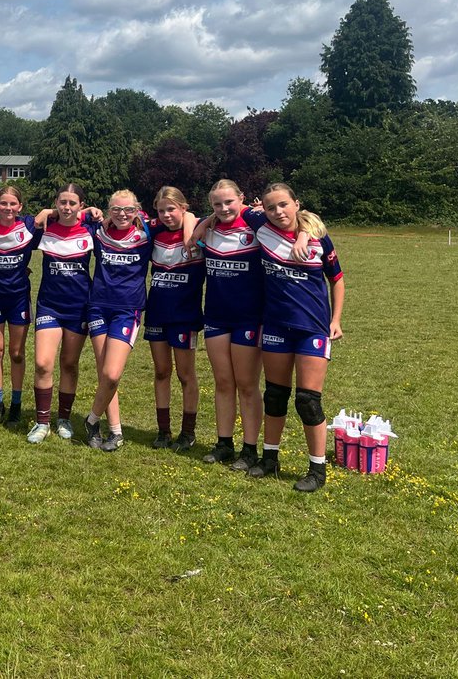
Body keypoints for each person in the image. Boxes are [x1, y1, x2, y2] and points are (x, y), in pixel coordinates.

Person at [242, 182, 345, 492]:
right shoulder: (261, 225)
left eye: (284, 205)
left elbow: (337, 280)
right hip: (275, 326)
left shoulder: (318, 236)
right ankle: (270, 458)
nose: (278, 212)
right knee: (274, 395)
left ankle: (317, 470)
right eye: (271, 207)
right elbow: (229, 208)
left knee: (308, 401)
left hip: (312, 328)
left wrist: (336, 319)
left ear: (297, 204)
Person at [197, 179, 266, 470]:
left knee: (247, 385)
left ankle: (250, 449)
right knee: (223, 383)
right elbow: (192, 234)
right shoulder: (208, 229)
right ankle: (224, 443)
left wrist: (253, 211)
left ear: (242, 199)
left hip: (249, 318)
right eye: (217, 204)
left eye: (229, 202)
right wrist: (208, 220)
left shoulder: (258, 227)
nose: (224, 208)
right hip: (215, 315)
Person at [82, 190, 151, 453]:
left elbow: (185, 216)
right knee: (104, 375)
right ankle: (116, 432)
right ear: (108, 210)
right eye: (116, 210)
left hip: (128, 310)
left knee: (112, 374)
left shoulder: (146, 232)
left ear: (137, 210)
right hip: (98, 308)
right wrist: (90, 210)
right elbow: (68, 215)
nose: (122, 214)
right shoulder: (98, 231)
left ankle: (91, 420)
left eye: (128, 210)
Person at [26, 184, 94, 444]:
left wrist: (93, 213)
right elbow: (14, 231)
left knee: (69, 363)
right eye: (62, 202)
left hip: (79, 307)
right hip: (49, 305)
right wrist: (43, 213)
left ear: (80, 206)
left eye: (72, 203)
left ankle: (63, 418)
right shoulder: (44, 228)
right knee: (43, 363)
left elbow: (119, 221)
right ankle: (42, 422)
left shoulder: (90, 228)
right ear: (56, 203)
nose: (67, 207)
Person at [0, 185, 39, 428]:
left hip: (19, 298)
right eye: (3, 203)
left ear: (20, 206)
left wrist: (92, 211)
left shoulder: (29, 225)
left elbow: (52, 214)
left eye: (13, 204)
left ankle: (16, 405)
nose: (8, 208)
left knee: (17, 353)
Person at [144, 186, 203, 452]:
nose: (167, 215)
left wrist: (190, 228)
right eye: (161, 210)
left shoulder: (199, 230)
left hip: (185, 316)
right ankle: (163, 430)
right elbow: (129, 217)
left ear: (183, 207)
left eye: (172, 209)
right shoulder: (154, 231)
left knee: (185, 374)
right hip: (157, 311)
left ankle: (187, 432)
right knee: (161, 371)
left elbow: (206, 219)